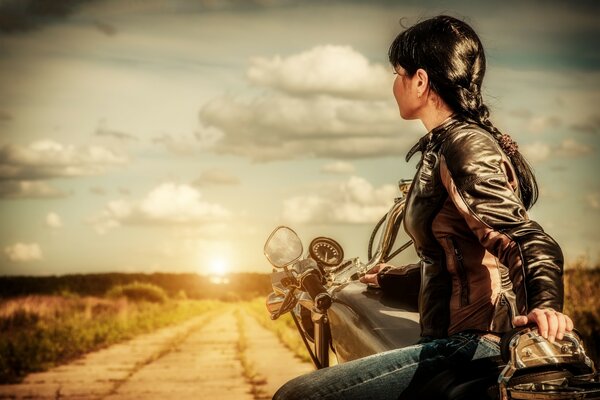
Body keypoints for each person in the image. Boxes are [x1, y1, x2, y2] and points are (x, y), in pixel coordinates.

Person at [273, 15, 573, 400]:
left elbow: (523, 238)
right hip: (455, 335)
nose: (393, 84)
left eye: (398, 73)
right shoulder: (444, 144)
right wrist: (387, 278)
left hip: (472, 342)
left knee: (297, 396)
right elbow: (462, 263)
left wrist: (545, 307)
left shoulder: (465, 146)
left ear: (420, 80)